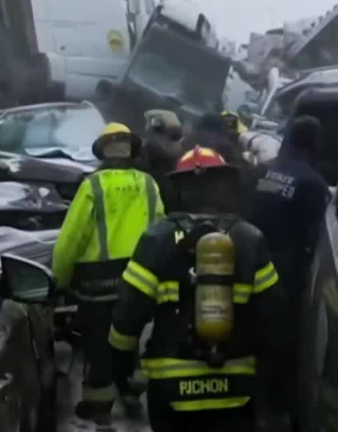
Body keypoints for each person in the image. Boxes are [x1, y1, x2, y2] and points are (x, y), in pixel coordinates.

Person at [108, 145, 290, 432]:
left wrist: (121, 370)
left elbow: (127, 317)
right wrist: (272, 391)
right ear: (224, 186)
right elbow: (275, 317)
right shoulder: (249, 238)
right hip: (235, 387)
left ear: (180, 188)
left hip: (171, 391)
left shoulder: (157, 239)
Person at [53, 122, 165, 426]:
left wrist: (59, 278)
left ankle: (98, 407)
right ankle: (131, 393)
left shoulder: (94, 185)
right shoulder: (148, 184)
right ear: (133, 150)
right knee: (129, 335)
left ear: (102, 152)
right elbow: (161, 228)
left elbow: (71, 238)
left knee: (98, 343)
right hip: (140, 276)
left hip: (96, 281)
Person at [249, 115, 330, 427]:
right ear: (313, 142)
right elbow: (316, 240)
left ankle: (251, 400)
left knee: (250, 332)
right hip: (287, 275)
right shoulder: (313, 183)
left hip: (248, 263)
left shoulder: (259, 171)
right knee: (283, 342)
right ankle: (276, 409)